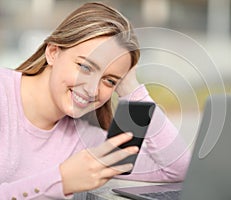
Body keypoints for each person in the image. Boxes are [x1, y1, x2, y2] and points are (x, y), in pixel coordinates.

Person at [0, 2, 191, 199]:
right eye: (85, 67)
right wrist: (61, 180)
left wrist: (132, 88)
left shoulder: (85, 141)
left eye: (109, 81)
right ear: (53, 52)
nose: (91, 89)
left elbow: (177, 168)